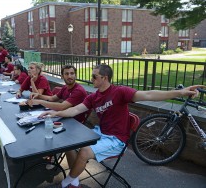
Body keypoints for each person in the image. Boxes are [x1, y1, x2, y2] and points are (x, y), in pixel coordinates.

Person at [40, 64, 204, 188]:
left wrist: (180, 92)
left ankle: (68, 182)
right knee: (70, 143)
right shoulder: (94, 97)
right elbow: (75, 109)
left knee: (83, 151)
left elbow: (148, 94)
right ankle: (74, 179)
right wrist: (54, 114)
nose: (91, 79)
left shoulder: (120, 92)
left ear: (104, 78)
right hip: (101, 133)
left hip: (117, 140)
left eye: (94, 77)